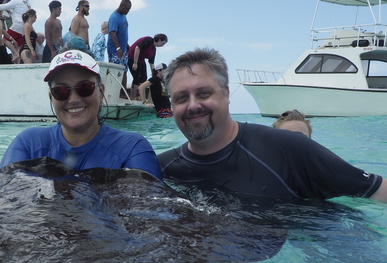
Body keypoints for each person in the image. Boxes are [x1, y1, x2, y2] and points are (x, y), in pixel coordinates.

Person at [158, 47, 387, 201]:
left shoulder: (288, 148)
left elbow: (376, 189)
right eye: (181, 98)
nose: (192, 105)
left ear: (226, 94)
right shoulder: (161, 170)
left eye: (204, 93)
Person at [0, 49, 162, 179]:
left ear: (101, 92)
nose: (74, 99)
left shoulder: (132, 148)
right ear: (51, 97)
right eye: (61, 91)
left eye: (85, 88)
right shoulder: (28, 144)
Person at [128, 34, 168, 99]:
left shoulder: (153, 50)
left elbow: (151, 63)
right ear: (159, 40)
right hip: (133, 57)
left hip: (141, 60)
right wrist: (135, 63)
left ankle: (140, 97)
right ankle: (133, 96)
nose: (162, 46)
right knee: (137, 76)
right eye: (162, 43)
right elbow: (137, 48)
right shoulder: (149, 40)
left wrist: (155, 74)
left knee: (144, 77)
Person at [107, 0, 132, 95]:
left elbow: (123, 32)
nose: (128, 11)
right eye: (126, 9)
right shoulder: (114, 17)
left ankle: (123, 93)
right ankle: (114, 93)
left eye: (129, 9)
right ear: (121, 6)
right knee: (117, 71)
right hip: (115, 50)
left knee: (124, 70)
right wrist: (118, 48)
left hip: (123, 49)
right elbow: (113, 34)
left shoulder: (124, 16)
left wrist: (126, 44)